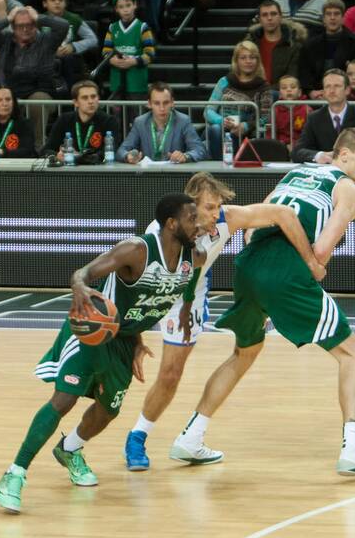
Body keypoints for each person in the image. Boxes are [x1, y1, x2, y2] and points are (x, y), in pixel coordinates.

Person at [170, 128, 355, 476]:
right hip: (286, 268)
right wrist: (310, 267)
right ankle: (354, 448)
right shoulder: (349, 190)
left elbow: (253, 226)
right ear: (344, 155)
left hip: (248, 264)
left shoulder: (296, 173)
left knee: (243, 352)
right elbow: (321, 251)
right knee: (352, 353)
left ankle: (191, 436)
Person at [0, 194, 204, 513]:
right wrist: (78, 285)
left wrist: (183, 312)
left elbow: (188, 283)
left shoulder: (195, 256)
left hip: (124, 338)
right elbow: (83, 272)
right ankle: (14, 473)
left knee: (109, 410)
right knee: (64, 400)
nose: (198, 223)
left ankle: (70, 449)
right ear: (172, 223)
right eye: (192, 218)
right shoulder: (137, 250)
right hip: (94, 330)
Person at [124, 173, 327, 470]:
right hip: (163, 290)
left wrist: (309, 260)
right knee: (150, 373)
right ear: (189, 207)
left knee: (172, 373)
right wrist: (135, 336)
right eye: (209, 207)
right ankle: (129, 437)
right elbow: (142, 285)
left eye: (218, 206)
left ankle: (163, 438)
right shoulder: (162, 230)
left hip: (191, 294)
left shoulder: (227, 219)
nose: (216, 213)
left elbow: (283, 213)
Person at [0, 4, 68, 143]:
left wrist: (39, 17)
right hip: (6, 93)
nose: (25, 29)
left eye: (30, 24)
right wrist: (7, 19)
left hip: (38, 92)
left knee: (38, 101)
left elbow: (63, 26)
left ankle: (37, 146)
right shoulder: (5, 40)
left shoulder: (47, 41)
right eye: (20, 26)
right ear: (13, 27)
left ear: (35, 25)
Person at [293, 68, 355, 163]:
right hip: (324, 174)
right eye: (328, 86)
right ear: (323, 91)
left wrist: (349, 156)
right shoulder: (314, 118)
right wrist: (318, 156)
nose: (332, 91)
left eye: (337, 86)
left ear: (347, 90)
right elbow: (297, 151)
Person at [204, 41, 272, 158]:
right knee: (215, 129)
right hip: (222, 128)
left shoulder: (263, 87)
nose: (248, 61)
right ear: (236, 61)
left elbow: (266, 117)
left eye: (252, 57)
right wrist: (222, 121)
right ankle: (218, 168)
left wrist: (245, 126)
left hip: (246, 132)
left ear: (257, 61)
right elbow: (208, 111)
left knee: (232, 134)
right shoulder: (224, 81)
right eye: (243, 58)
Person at [118, 82, 207, 163]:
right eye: (157, 103)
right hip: (147, 175)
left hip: (175, 174)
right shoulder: (140, 122)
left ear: (172, 102)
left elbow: (199, 150)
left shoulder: (183, 121)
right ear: (149, 104)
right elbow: (121, 151)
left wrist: (185, 156)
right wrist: (128, 156)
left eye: (166, 103)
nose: (162, 108)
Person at [298, 0, 355, 97]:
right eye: (328, 14)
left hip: (348, 95)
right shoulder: (310, 45)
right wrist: (311, 93)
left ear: (343, 18)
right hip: (318, 96)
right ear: (323, 19)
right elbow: (304, 73)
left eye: (336, 14)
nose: (332, 18)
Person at [42, 79, 122, 161]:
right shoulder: (64, 120)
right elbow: (46, 150)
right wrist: (58, 155)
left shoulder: (109, 121)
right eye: (85, 98)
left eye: (93, 96)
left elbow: (111, 151)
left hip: (97, 170)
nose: (90, 101)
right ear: (76, 102)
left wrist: (79, 157)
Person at [102, 0, 154, 99]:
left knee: (135, 114)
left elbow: (150, 54)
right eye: (121, 7)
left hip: (137, 82)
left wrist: (134, 61)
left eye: (128, 5)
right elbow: (106, 51)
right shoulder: (112, 28)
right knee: (117, 114)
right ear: (116, 9)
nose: (126, 10)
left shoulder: (143, 27)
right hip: (117, 80)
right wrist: (112, 60)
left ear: (135, 5)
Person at [244, 0, 306, 87]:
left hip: (282, 96)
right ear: (260, 19)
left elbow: (292, 78)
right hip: (253, 93)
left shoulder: (294, 46)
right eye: (265, 15)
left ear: (280, 17)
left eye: (273, 14)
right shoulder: (250, 46)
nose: (269, 18)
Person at [44, 0, 97, 86]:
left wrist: (73, 46)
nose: (57, 2)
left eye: (60, 0)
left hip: (70, 60)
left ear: (65, 3)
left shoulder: (74, 19)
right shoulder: (39, 20)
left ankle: (70, 93)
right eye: (53, 0)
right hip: (47, 59)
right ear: (45, 3)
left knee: (69, 59)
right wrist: (51, 50)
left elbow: (93, 39)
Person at [274, 74, 309, 149]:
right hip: (280, 147)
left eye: (293, 87)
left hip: (301, 147)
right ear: (280, 94)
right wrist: (280, 146)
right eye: (284, 88)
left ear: (299, 92)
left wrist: (295, 145)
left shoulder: (306, 109)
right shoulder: (275, 110)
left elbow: (308, 135)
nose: (289, 90)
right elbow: (271, 133)